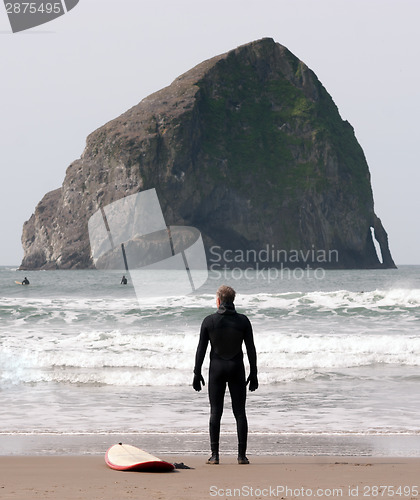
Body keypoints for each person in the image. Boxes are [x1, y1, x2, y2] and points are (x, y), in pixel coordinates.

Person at [193, 285, 258, 465]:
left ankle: (215, 455)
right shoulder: (243, 321)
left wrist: (197, 372)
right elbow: (251, 348)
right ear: (232, 301)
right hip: (237, 368)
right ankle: (242, 456)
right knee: (240, 412)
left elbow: (201, 349)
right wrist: (254, 373)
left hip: (217, 369)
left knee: (216, 412)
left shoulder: (209, 321)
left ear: (219, 300)